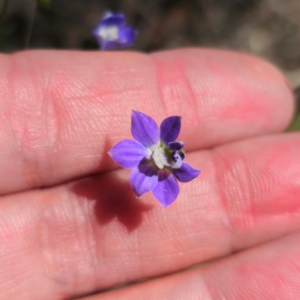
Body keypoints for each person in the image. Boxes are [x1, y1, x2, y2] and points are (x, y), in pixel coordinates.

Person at [0, 48, 298, 300]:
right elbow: (129, 164)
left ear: (171, 152)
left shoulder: (165, 179)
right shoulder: (140, 145)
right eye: (162, 154)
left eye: (167, 156)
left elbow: (155, 181)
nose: (162, 157)